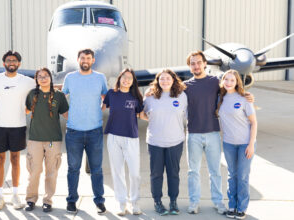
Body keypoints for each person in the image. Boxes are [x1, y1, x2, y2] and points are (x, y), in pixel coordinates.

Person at [184, 51, 254, 215]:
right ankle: (194, 202)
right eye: (193, 63)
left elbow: (233, 89)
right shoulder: (185, 86)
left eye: (199, 62)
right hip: (193, 134)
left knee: (215, 171)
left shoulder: (215, 82)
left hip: (213, 134)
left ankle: (218, 202)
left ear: (205, 64)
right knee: (193, 171)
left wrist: (247, 95)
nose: (196, 65)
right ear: (189, 66)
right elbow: (167, 91)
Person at [62, 48, 108, 215]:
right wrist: (68, 115)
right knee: (73, 169)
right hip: (74, 131)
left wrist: (100, 111)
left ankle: (99, 201)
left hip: (94, 131)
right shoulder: (70, 78)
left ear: (93, 60)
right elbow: (62, 98)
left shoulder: (100, 78)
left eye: (88, 58)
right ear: (78, 59)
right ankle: (72, 200)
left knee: (97, 169)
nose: (85, 60)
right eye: (82, 58)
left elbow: (106, 97)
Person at [0, 51, 35, 210]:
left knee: (15, 160)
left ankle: (15, 194)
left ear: (19, 64)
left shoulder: (27, 81)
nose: (11, 63)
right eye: (8, 60)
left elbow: (46, 87)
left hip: (18, 126)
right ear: (4, 63)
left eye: (14, 60)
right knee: (0, 160)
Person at [140, 69, 187, 216]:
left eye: (168, 78)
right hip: (155, 142)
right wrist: (154, 120)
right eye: (162, 79)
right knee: (156, 174)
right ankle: (157, 202)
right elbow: (141, 113)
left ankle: (173, 202)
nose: (165, 81)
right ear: (157, 81)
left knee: (173, 173)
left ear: (173, 80)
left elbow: (186, 114)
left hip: (175, 141)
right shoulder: (150, 97)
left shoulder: (181, 96)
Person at [24, 68, 69, 212]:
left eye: (46, 76)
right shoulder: (32, 95)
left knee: (52, 172)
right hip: (35, 139)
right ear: (36, 80)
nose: (43, 78)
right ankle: (31, 199)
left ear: (50, 77)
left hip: (53, 140)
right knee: (34, 171)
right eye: (40, 76)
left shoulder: (59, 96)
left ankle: (48, 200)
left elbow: (67, 114)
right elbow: (24, 110)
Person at [102, 68, 143, 216]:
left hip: (131, 138)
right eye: (124, 77)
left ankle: (135, 203)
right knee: (117, 171)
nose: (126, 80)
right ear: (119, 79)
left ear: (133, 82)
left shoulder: (136, 97)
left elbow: (142, 114)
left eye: (129, 78)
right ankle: (121, 203)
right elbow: (100, 108)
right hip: (113, 136)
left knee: (134, 173)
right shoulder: (111, 94)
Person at [217, 70, 257, 220]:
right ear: (222, 81)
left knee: (243, 176)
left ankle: (241, 208)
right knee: (232, 175)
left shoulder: (244, 99)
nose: (228, 82)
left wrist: (251, 144)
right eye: (226, 79)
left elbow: (253, 122)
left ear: (237, 82)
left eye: (232, 80)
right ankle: (232, 205)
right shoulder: (220, 98)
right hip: (228, 144)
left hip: (245, 144)